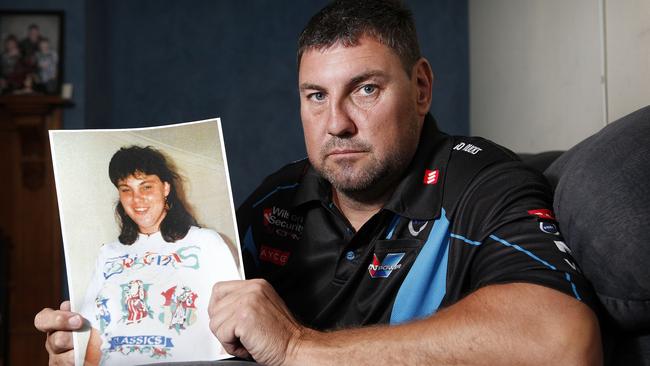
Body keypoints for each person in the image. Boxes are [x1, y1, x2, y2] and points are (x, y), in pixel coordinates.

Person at [35, 1, 602, 365]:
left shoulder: (480, 181)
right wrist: (92, 347)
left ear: (422, 88)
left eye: (366, 89)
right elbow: (198, 337)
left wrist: (297, 347)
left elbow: (565, 342)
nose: (337, 123)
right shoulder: (277, 201)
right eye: (316, 96)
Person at [76, 146, 241, 364]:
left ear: (165, 188)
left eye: (146, 187)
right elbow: (97, 334)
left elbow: (232, 320)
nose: (136, 199)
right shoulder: (108, 253)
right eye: (126, 189)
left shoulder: (207, 243)